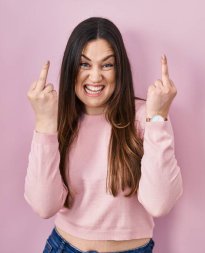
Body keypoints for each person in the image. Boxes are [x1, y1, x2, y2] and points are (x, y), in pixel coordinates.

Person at [24, 17, 183, 253]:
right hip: (64, 247)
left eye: (107, 65)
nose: (96, 77)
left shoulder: (145, 116)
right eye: (84, 64)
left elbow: (160, 204)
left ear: (120, 70)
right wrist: (45, 123)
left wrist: (159, 116)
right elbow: (43, 206)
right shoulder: (57, 119)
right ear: (70, 69)